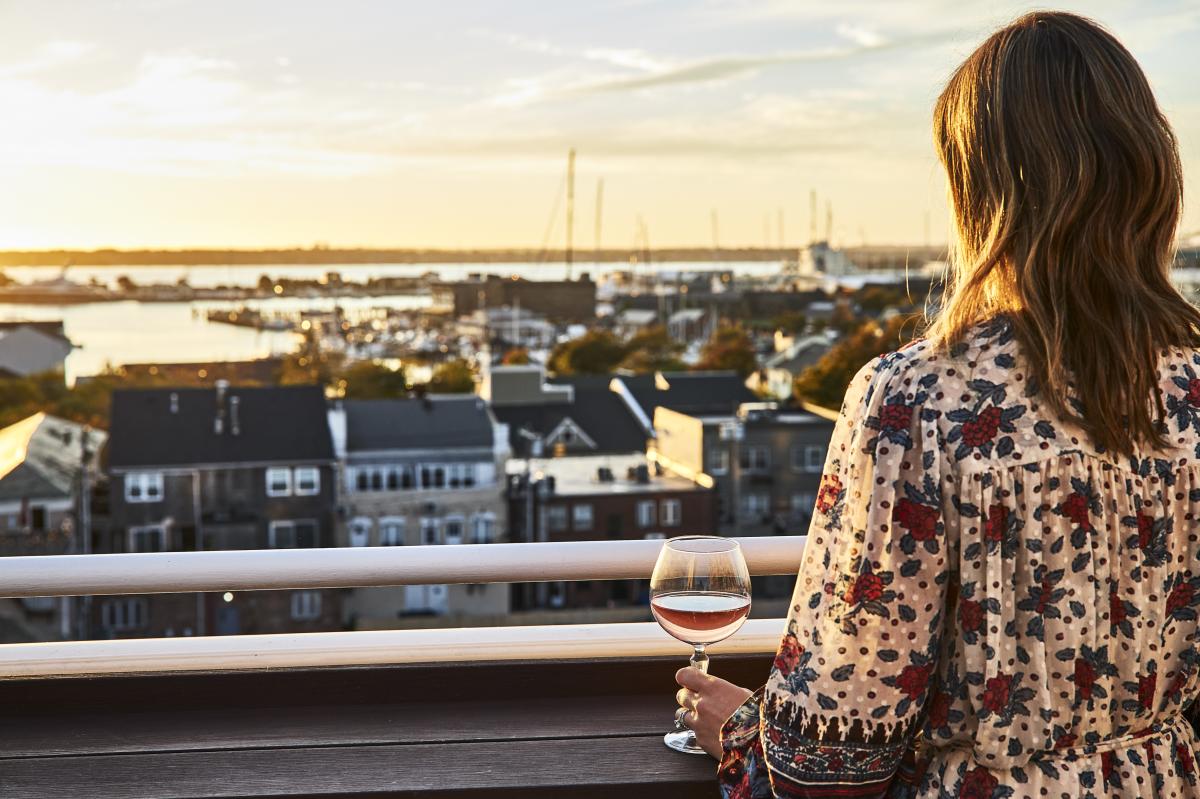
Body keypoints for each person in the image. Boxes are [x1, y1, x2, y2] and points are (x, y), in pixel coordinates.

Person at [674, 11, 1200, 798]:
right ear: (1146, 169)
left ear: (980, 190)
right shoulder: (1191, 389)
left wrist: (745, 736)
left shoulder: (916, 402)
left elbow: (832, 755)